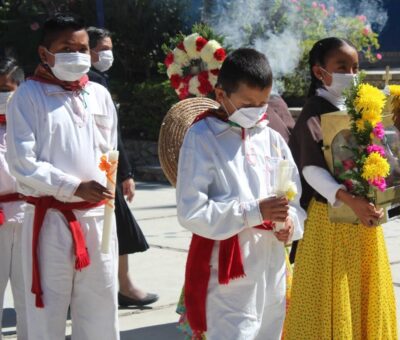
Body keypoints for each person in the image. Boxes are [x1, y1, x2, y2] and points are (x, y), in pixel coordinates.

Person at [176, 48, 306, 340]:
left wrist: (290, 225)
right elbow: (191, 211)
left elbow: (294, 200)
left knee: (270, 333)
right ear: (221, 94)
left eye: (263, 103)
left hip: (272, 264)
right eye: (248, 103)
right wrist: (254, 213)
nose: (258, 111)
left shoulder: (272, 139)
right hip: (228, 271)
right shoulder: (202, 137)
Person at [6, 14, 119, 340]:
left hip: (98, 219)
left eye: (83, 49)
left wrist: (106, 184)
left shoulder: (99, 94)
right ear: (45, 54)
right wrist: (72, 186)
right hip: (50, 220)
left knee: (101, 311)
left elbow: (108, 152)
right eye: (67, 48)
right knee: (46, 314)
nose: (78, 56)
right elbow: (23, 163)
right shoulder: (27, 96)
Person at [285, 37, 397, 339]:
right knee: (331, 297)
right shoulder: (314, 111)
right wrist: (350, 200)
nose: (352, 73)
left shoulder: (358, 108)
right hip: (330, 222)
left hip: (364, 221)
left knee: (363, 295)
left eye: (356, 67)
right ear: (320, 72)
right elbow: (311, 170)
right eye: (342, 66)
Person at [87, 26, 158, 306]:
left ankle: (121, 286)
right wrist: (125, 172)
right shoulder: (92, 81)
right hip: (103, 167)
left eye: (109, 49)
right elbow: (110, 136)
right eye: (102, 49)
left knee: (114, 228)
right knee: (114, 229)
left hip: (104, 165)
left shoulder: (95, 80)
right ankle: (123, 287)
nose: (108, 55)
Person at [0, 57, 27, 340]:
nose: (2, 96)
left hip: (28, 213)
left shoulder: (32, 123)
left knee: (28, 294)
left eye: (6, 89)